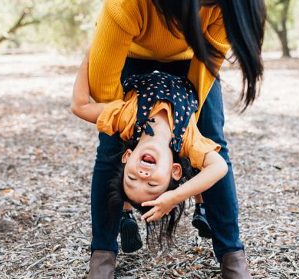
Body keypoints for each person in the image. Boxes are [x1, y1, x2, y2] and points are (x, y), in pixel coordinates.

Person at [81, 0, 265, 279]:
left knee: (212, 139)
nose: (195, 10)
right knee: (110, 147)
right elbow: (103, 91)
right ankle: (102, 255)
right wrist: (124, 127)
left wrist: (185, 135)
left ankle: (232, 258)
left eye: (207, 2)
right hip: (130, 54)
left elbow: (203, 73)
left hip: (191, 62)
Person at [71, 55, 227, 250]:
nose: (142, 175)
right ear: (175, 170)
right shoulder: (188, 138)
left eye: (132, 178)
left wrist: (89, 56)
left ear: (127, 157)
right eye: (152, 183)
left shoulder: (126, 118)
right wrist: (175, 197)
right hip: (187, 60)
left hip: (138, 54)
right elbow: (219, 167)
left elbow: (80, 106)